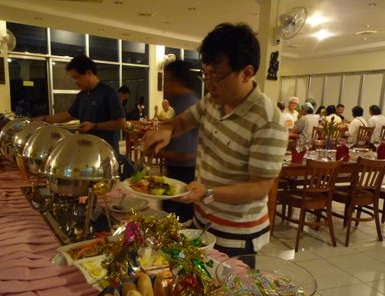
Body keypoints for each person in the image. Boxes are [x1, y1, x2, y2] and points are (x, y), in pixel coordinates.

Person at [144, 23, 288, 257]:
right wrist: (167, 130)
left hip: (238, 234)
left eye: (217, 77)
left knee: (229, 292)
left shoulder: (268, 120)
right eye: (205, 74)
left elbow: (260, 187)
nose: (209, 84)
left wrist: (208, 192)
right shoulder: (212, 101)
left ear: (247, 73)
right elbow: (183, 121)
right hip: (203, 220)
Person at [33, 55, 126, 154]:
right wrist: (44, 119)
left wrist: (94, 126)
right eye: (73, 78)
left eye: (77, 77)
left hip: (105, 151)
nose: (75, 82)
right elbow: (68, 115)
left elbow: (121, 123)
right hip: (86, 148)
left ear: (89, 73)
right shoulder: (82, 95)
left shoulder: (108, 93)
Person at [158, 60, 199, 222]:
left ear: (179, 81)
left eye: (167, 80)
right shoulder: (180, 102)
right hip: (176, 171)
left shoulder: (190, 104)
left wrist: (159, 152)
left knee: (178, 221)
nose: (164, 85)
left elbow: (187, 155)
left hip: (186, 174)